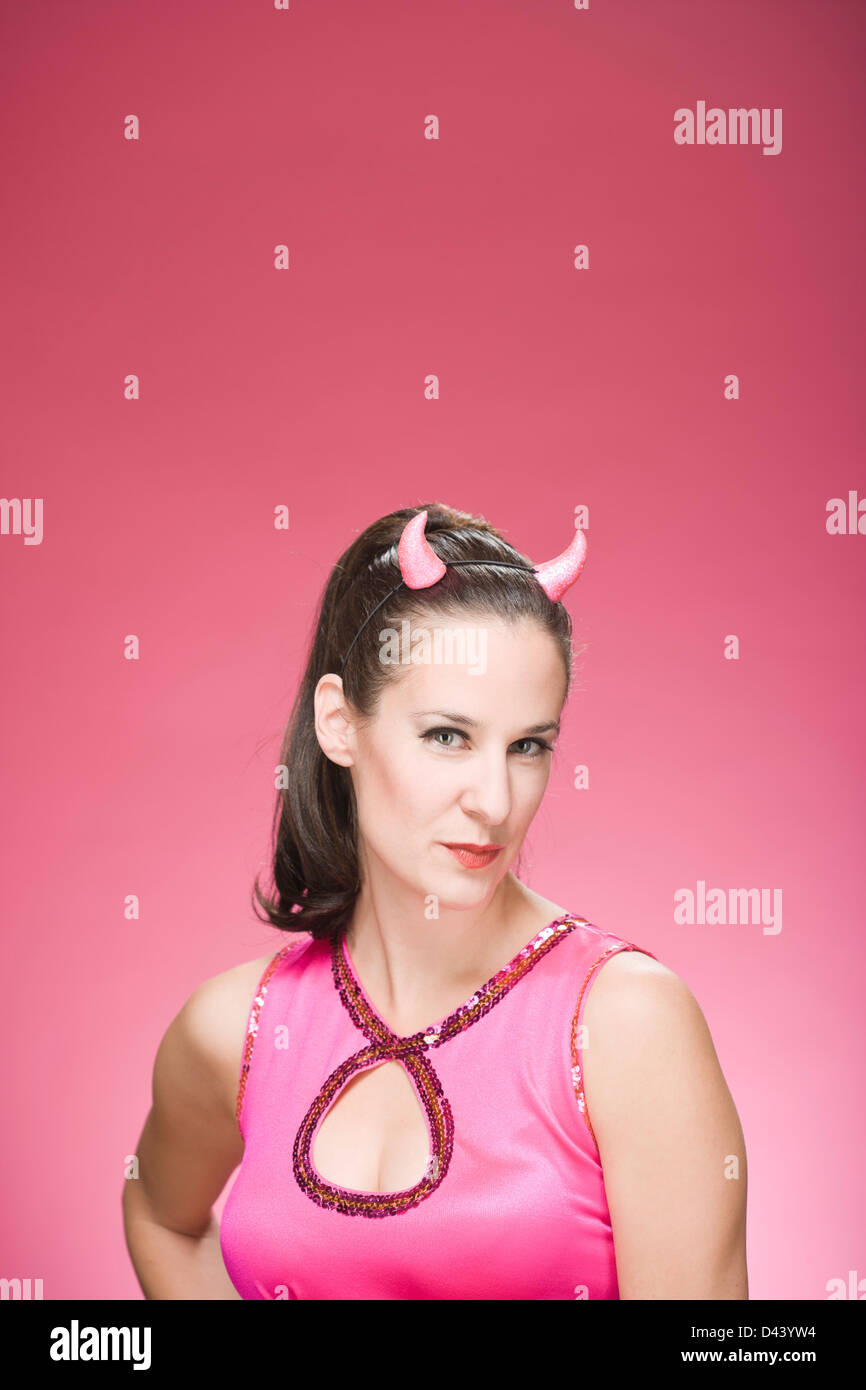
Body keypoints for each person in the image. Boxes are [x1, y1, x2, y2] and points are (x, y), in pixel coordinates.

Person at [122, 502, 748, 1300]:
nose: (494, 800)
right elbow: (160, 1214)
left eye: (528, 746)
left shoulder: (625, 1025)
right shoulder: (232, 1032)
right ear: (340, 723)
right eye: (448, 736)